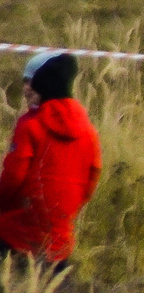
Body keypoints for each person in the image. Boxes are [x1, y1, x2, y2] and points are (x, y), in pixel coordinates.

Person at [0, 51, 101, 269]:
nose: (26, 89)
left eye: (31, 82)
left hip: (18, 231)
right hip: (60, 240)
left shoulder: (30, 125)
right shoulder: (89, 131)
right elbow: (91, 181)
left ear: (43, 84)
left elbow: (12, 179)